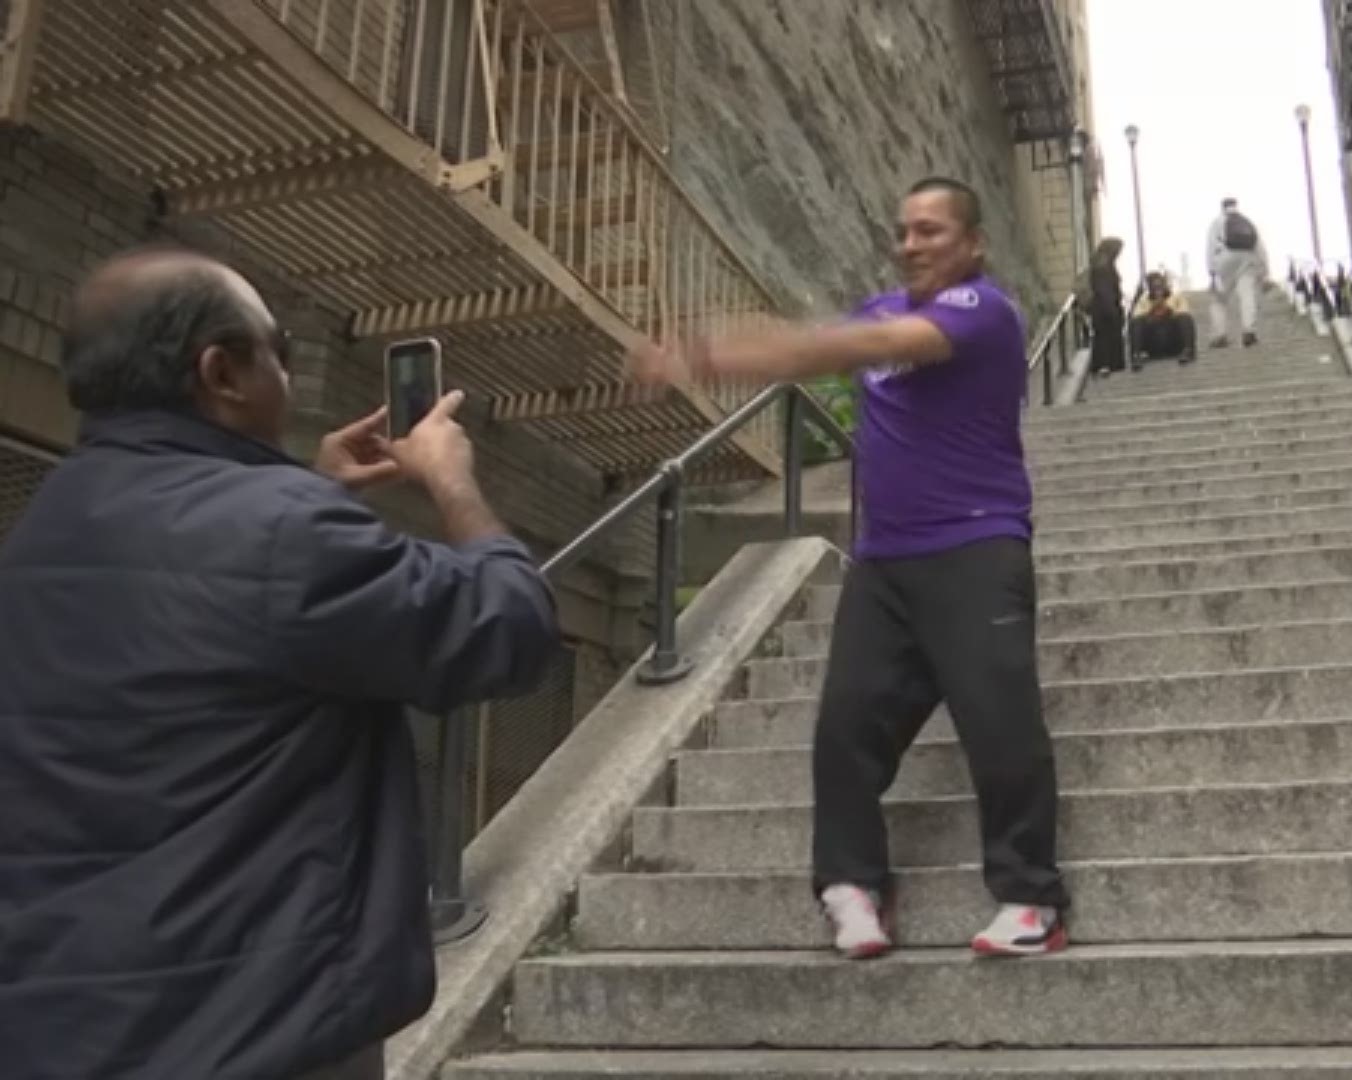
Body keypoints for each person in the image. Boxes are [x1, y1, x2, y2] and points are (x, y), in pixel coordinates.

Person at [0, 248, 561, 1079]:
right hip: (255, 1025)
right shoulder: (287, 535)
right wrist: (452, 484)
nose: (289, 375)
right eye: (281, 349)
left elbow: (212, 619)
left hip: (62, 1025)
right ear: (220, 371)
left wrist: (311, 493)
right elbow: (509, 631)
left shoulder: (42, 530)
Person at [626, 177, 1068, 960]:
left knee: (1000, 727)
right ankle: (854, 885)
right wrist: (712, 349)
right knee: (844, 730)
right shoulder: (876, 312)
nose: (911, 244)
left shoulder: (983, 312)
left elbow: (872, 347)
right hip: (884, 560)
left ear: (972, 245)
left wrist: (722, 352)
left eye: (931, 231)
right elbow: (819, 338)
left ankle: (1031, 896)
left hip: (975, 547)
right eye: (904, 230)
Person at [1206, 196, 1271, 348]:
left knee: (1219, 299)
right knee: (1247, 295)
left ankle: (1219, 335)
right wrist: (1265, 272)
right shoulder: (1247, 222)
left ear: (1222, 207)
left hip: (1225, 259)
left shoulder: (1217, 222)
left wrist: (1212, 271)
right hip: (1248, 259)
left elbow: (1210, 247)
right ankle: (1249, 331)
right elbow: (1259, 247)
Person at [1129, 271, 1197, 365]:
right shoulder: (1143, 301)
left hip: (1172, 340)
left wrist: (1167, 309)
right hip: (1154, 341)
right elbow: (1136, 316)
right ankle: (1137, 356)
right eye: (1155, 288)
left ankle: (1188, 351)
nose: (1158, 290)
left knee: (1185, 318)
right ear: (1150, 289)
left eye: (1160, 286)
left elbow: (1184, 312)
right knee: (1136, 322)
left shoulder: (1177, 297)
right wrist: (1152, 311)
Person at [1087, 236, 1127, 376]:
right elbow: (1104, 290)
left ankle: (1103, 364)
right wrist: (1112, 308)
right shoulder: (1104, 267)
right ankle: (1107, 364)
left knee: (1101, 336)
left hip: (1100, 307)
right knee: (1106, 336)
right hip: (1105, 307)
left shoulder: (1099, 264)